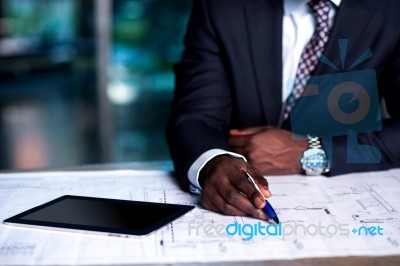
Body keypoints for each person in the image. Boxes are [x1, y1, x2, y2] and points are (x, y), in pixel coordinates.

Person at [166, 0, 400, 221]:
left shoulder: (392, 10)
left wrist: (312, 153)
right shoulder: (221, 7)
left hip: (350, 203)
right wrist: (213, 162)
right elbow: (196, 115)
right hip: (245, 205)